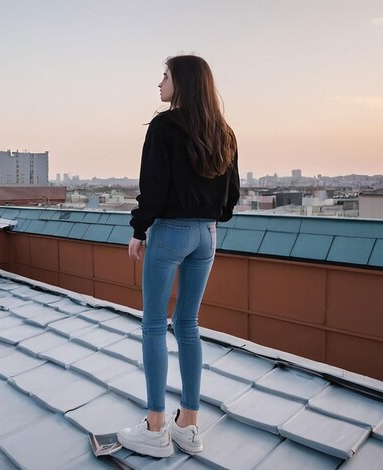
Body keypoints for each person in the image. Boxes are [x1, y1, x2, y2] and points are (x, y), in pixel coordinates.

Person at [117, 54, 240, 458]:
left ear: (182, 82)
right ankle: (188, 424)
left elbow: (153, 185)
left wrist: (139, 229)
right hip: (207, 235)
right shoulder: (224, 132)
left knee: (154, 325)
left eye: (165, 76)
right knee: (188, 324)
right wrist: (207, 218)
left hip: (170, 233)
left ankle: (155, 428)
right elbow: (231, 198)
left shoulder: (164, 126)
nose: (159, 83)